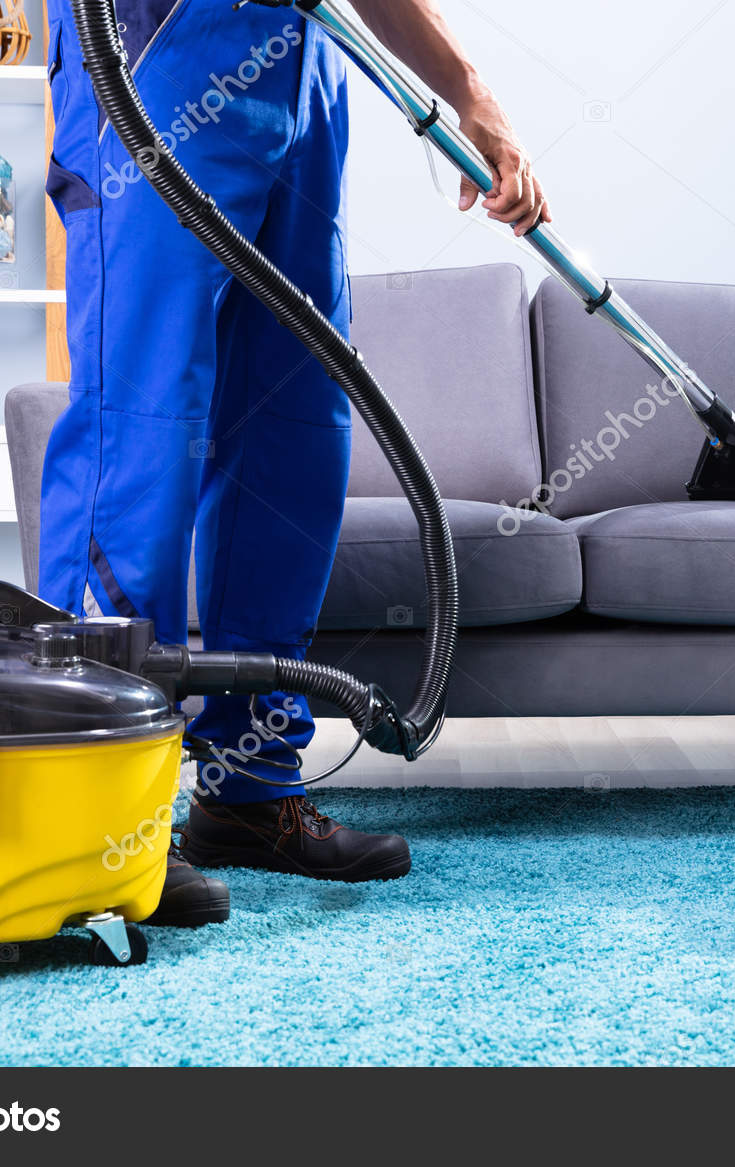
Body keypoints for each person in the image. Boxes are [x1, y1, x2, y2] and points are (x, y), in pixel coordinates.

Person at [42, 0, 551, 924]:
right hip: (157, 46)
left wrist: (471, 95)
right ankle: (89, 821)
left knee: (294, 436)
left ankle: (250, 791)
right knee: (142, 425)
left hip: (305, 60)